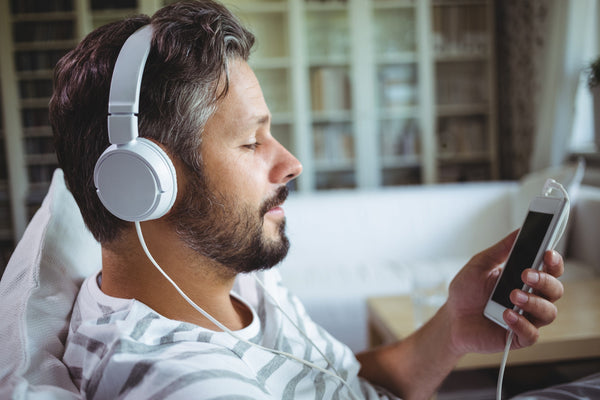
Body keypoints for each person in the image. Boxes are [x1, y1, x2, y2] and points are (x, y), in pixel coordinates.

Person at [49, 1, 567, 399]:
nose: (292, 163)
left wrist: (453, 327)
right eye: (252, 141)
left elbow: (342, 381)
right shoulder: (187, 384)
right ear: (143, 183)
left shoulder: (228, 275)